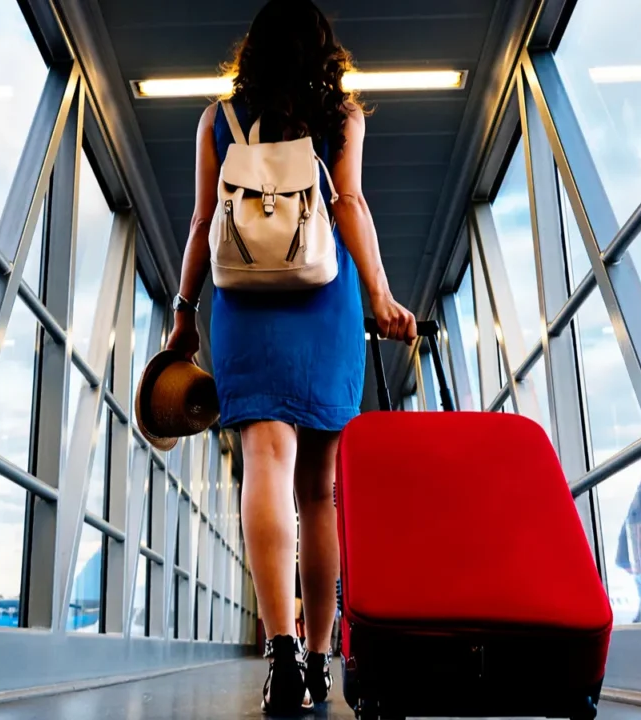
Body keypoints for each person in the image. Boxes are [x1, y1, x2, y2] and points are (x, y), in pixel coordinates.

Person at [164, 0, 416, 713]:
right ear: (322, 51)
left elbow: (202, 219)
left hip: (243, 303)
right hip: (322, 302)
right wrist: (382, 297)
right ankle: (318, 657)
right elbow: (352, 207)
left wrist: (184, 314)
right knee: (320, 492)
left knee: (263, 470)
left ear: (254, 51)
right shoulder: (343, 117)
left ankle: (277, 652)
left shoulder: (218, 119)